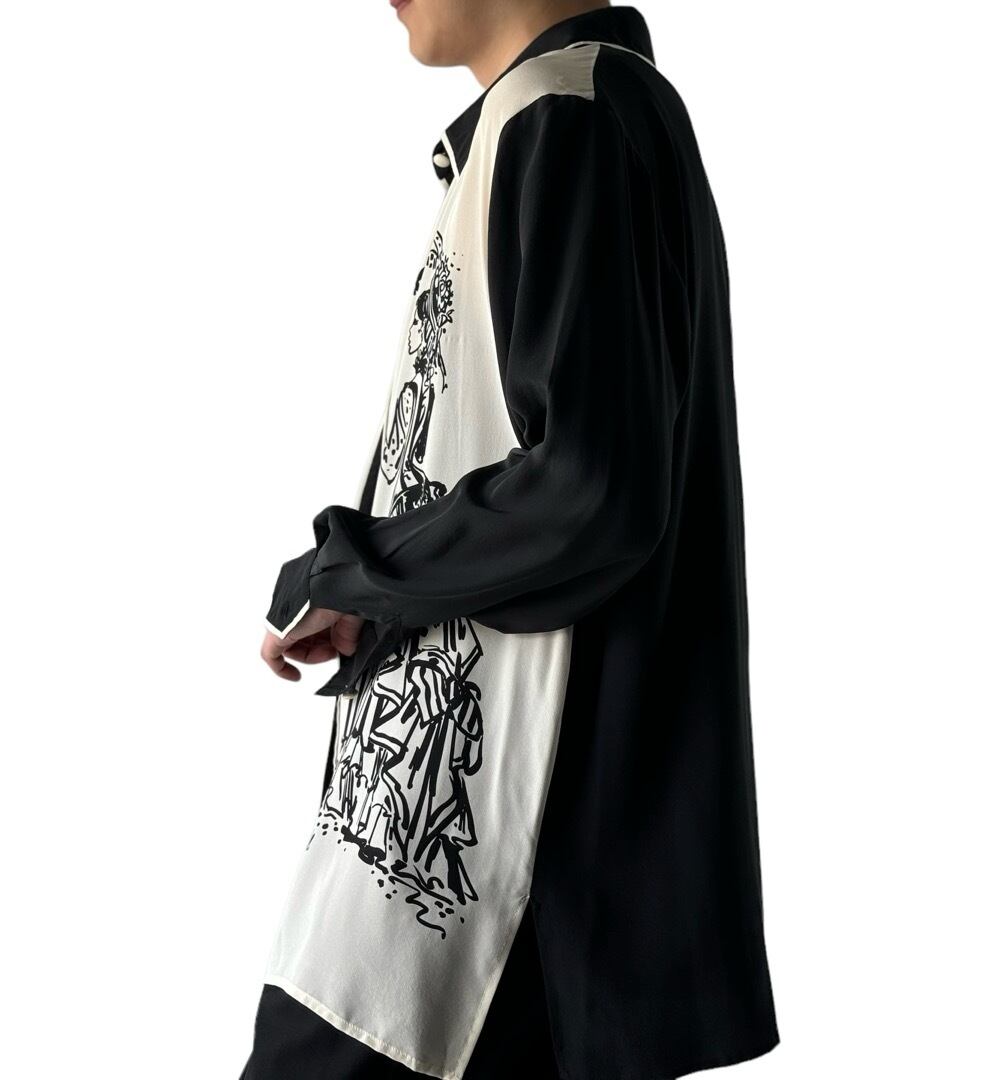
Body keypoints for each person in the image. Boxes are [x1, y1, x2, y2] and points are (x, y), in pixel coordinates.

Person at [240, 3, 779, 1077]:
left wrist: (359, 569)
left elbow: (590, 490)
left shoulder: (564, 115)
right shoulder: (557, 118)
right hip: (504, 857)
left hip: (492, 860)